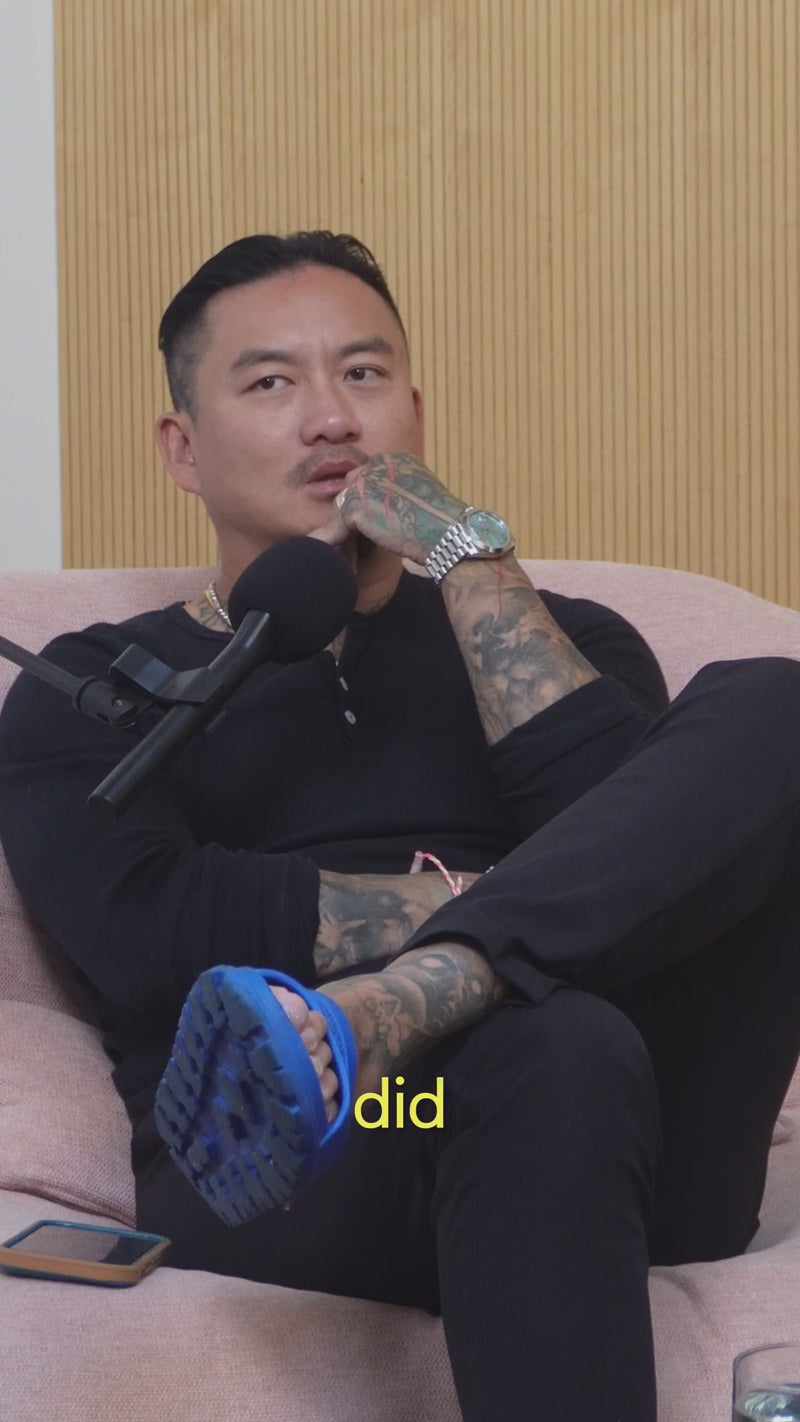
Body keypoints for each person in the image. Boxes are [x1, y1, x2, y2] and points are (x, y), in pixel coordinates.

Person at [2, 231, 800, 1422]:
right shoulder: (102, 685)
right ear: (182, 447)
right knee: (548, 1037)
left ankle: (415, 994)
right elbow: (155, 930)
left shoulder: (561, 634)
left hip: (633, 1129)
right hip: (308, 1128)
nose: (331, 417)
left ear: (414, 416)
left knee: (776, 704)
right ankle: (425, 1003)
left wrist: (469, 560)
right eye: (271, 382)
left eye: (364, 374)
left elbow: (667, 866)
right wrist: (506, 914)